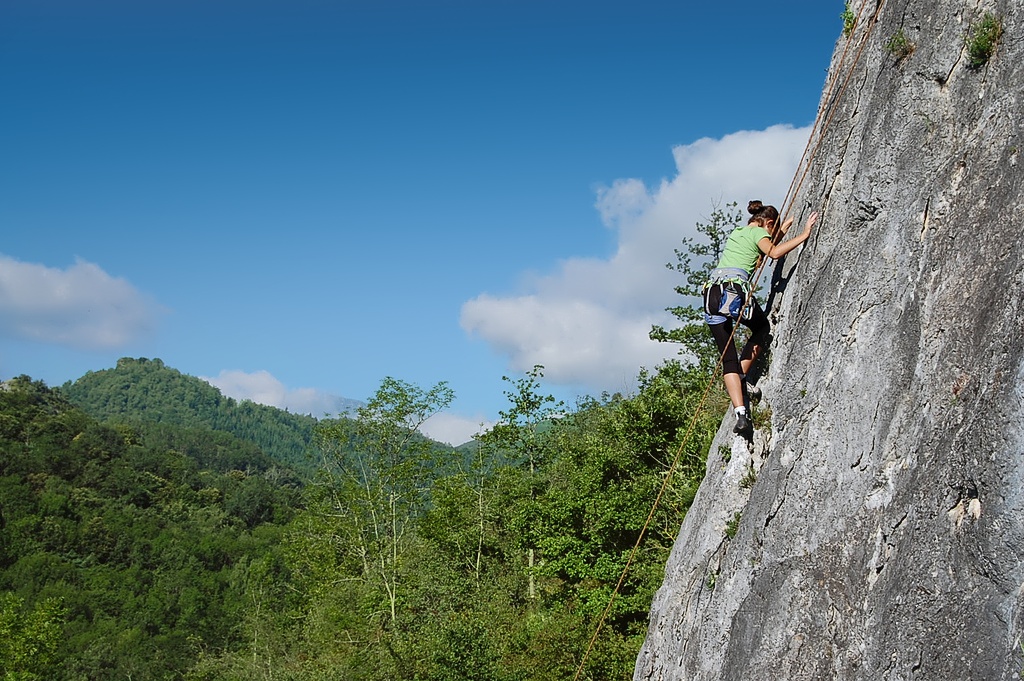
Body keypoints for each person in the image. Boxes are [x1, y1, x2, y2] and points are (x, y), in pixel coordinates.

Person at [703, 200, 818, 435]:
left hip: (711, 295)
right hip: (733, 293)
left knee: (728, 360)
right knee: (761, 329)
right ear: (768, 223)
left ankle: (741, 413)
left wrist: (781, 230)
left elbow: (763, 246)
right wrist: (804, 234)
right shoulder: (758, 232)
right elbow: (773, 252)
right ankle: (743, 376)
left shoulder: (739, 232)